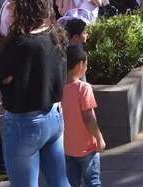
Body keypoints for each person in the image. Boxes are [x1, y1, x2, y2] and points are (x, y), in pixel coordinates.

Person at [0, 0, 70, 187]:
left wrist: (7, 79)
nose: (9, 7)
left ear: (28, 4)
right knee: (60, 181)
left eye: (14, 2)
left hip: (25, 123)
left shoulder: (21, 43)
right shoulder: (55, 33)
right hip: (54, 116)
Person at [62, 45, 104, 187]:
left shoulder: (59, 89)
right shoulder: (84, 88)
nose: (87, 67)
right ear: (80, 64)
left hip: (67, 148)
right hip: (87, 148)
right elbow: (88, 116)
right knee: (93, 182)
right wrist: (99, 138)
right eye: (86, 64)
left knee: (71, 183)